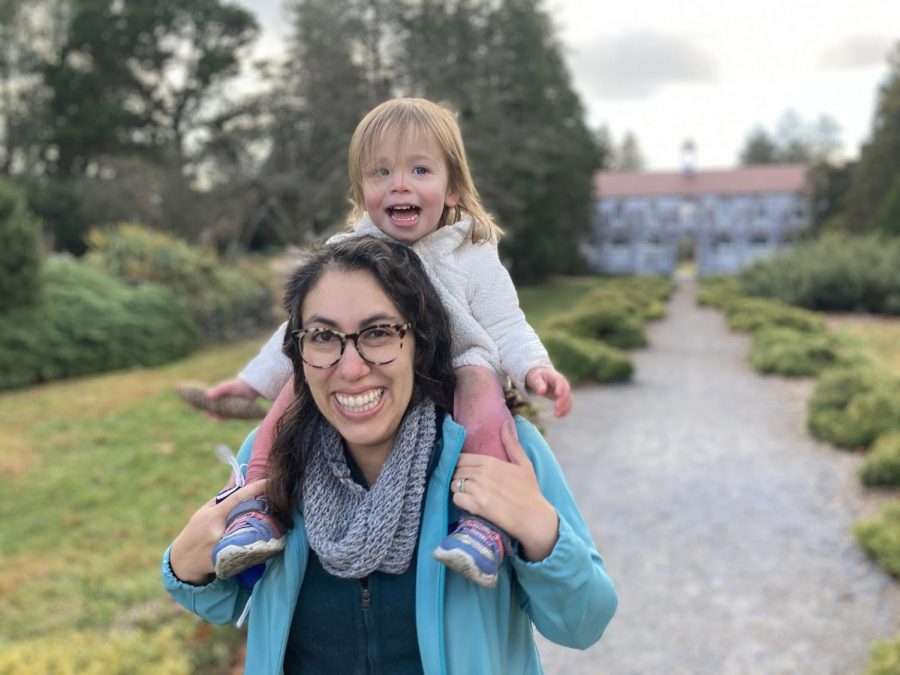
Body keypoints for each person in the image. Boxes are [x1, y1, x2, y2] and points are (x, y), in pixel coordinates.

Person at [162, 236, 617, 674]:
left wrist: (540, 529)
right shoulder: (276, 455)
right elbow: (226, 602)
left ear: (421, 342)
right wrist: (184, 566)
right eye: (322, 336)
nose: (352, 367)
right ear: (297, 352)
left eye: (378, 333)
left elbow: (582, 623)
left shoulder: (501, 452)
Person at [207, 97, 573, 588]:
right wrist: (251, 382)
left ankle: (483, 527)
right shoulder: (351, 254)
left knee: (485, 406)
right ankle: (256, 508)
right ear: (362, 190)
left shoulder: (472, 255)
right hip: (370, 364)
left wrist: (533, 367)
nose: (399, 184)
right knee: (291, 402)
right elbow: (301, 332)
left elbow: (507, 322)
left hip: (459, 364)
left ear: (452, 187)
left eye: (419, 169)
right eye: (381, 173)